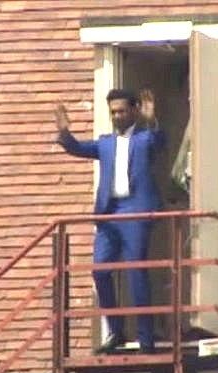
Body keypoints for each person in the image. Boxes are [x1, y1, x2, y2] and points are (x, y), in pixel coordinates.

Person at [54, 88, 164, 353]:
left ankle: (145, 338)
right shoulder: (105, 143)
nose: (117, 116)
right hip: (108, 213)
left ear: (134, 110)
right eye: (113, 112)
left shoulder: (144, 138)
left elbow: (159, 142)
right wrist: (65, 132)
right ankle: (115, 331)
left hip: (135, 211)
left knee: (135, 271)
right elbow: (77, 148)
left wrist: (151, 120)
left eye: (122, 111)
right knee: (100, 270)